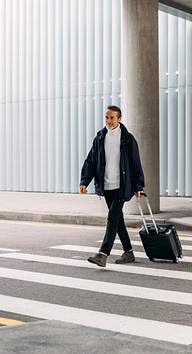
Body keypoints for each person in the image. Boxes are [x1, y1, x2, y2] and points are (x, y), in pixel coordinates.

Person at [79, 105, 145, 267]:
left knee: (112, 217)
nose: (108, 121)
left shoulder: (128, 139)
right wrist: (84, 181)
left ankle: (103, 254)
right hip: (106, 185)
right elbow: (91, 161)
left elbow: (136, 164)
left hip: (122, 186)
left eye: (112, 118)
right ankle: (128, 252)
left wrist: (138, 186)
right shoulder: (100, 137)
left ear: (119, 119)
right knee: (117, 219)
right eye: (106, 118)